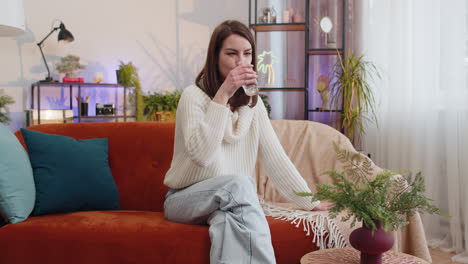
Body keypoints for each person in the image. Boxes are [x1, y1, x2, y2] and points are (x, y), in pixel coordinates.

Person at [163, 20, 333, 264]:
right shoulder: (193, 97)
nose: (240, 62)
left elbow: (275, 157)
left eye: (247, 54)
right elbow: (202, 156)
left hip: (230, 201)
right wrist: (223, 95)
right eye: (231, 54)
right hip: (184, 200)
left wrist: (309, 201)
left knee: (228, 224)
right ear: (215, 57)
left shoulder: (254, 107)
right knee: (241, 185)